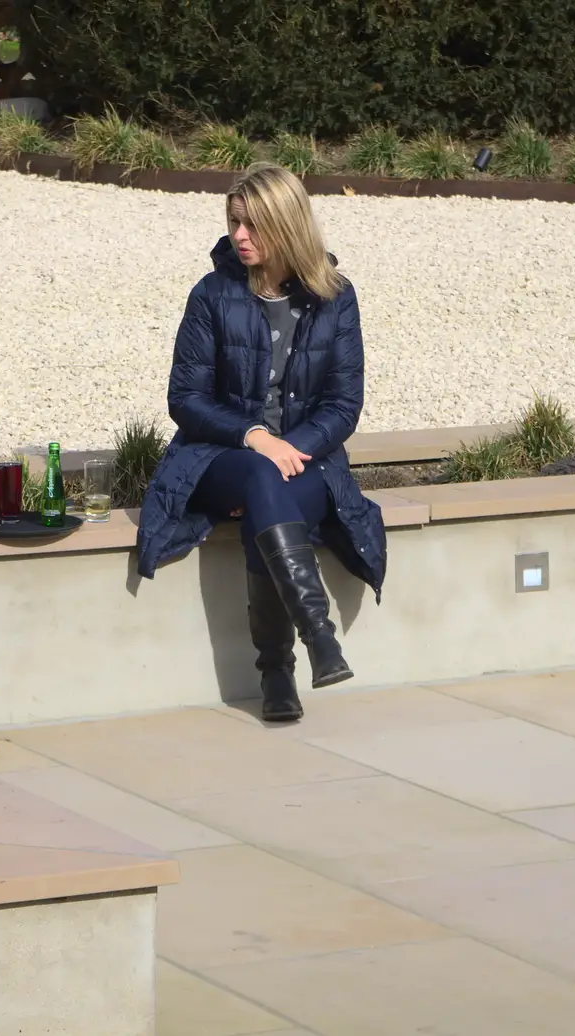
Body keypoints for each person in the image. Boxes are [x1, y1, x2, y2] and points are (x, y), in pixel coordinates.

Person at [135, 163, 387, 723]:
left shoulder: (335, 298)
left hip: (308, 459)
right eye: (234, 222)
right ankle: (317, 638)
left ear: (287, 225)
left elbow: (344, 405)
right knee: (258, 477)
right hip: (219, 458)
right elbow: (187, 399)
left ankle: (277, 672)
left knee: (265, 498)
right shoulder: (212, 293)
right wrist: (254, 437)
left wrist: (290, 448)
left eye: (252, 225)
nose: (239, 236)